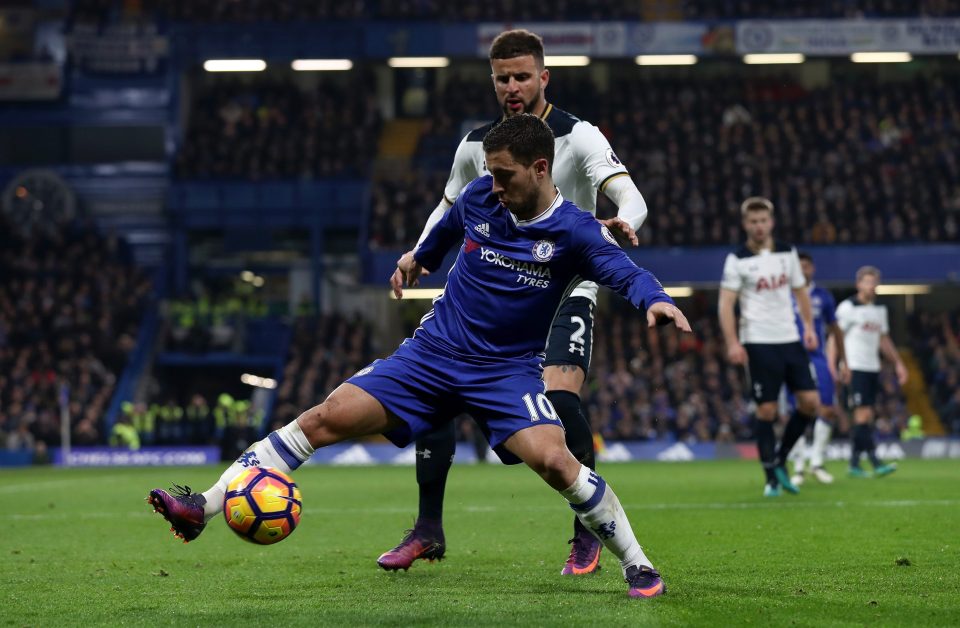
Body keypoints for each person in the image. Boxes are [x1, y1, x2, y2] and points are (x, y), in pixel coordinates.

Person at [148, 114, 690, 599]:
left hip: (504, 371)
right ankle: (204, 505)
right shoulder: (481, 195)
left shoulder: (574, 230)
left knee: (555, 461)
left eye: (505, 176)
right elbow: (447, 229)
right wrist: (418, 260)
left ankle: (637, 564)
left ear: (541, 168)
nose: (494, 187)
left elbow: (625, 271)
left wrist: (658, 300)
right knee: (323, 417)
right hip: (431, 355)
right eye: (491, 174)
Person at [383, 28, 650, 576]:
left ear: (543, 77)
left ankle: (587, 530)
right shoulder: (477, 146)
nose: (511, 85)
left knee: (561, 395)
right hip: (492, 284)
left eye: (522, 75)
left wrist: (625, 220)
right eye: (502, 77)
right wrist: (416, 253)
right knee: (436, 381)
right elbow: (449, 207)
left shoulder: (578, 135)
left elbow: (627, 191)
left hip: (564, 284)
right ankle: (428, 528)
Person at [718, 197, 820, 497]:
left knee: (810, 403)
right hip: (758, 341)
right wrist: (733, 342)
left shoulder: (787, 252)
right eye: (753, 222)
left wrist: (810, 328)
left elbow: (800, 291)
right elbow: (726, 304)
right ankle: (771, 478)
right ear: (745, 224)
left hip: (789, 338)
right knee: (767, 410)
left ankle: (780, 459)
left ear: (771, 222)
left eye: (763, 221)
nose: (759, 226)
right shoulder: (737, 259)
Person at [835, 265, 907, 478]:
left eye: (875, 282)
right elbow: (834, 337)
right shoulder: (847, 308)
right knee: (862, 414)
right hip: (854, 366)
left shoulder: (879, 311)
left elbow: (883, 341)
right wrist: (837, 364)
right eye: (867, 282)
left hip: (872, 367)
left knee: (866, 416)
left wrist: (899, 363)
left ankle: (854, 464)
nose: (872, 286)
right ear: (858, 284)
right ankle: (875, 461)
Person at [787, 252, 851, 486]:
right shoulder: (785, 294)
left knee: (828, 409)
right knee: (796, 411)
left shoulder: (823, 296)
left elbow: (835, 329)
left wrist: (844, 361)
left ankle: (816, 462)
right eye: (799, 266)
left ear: (812, 269)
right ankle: (799, 466)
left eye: (807, 266)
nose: (803, 270)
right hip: (791, 358)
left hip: (818, 358)